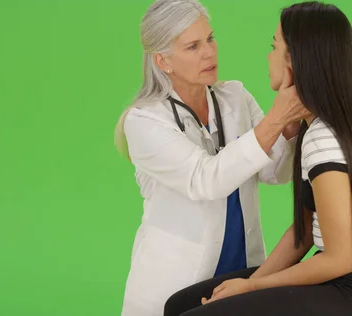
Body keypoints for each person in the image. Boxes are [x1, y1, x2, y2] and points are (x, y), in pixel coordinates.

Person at [163, 2, 352, 315]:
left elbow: (341, 259)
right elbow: (302, 235)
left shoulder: (324, 139)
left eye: (274, 46)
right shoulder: (318, 129)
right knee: (181, 305)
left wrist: (251, 287)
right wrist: (248, 285)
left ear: (294, 61)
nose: (268, 56)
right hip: (347, 280)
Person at [115, 1, 309, 315]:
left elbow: (276, 171)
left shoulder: (235, 95)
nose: (209, 52)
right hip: (175, 280)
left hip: (240, 272)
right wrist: (276, 118)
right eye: (192, 46)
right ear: (163, 60)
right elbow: (206, 180)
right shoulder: (144, 121)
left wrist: (288, 126)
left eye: (210, 38)